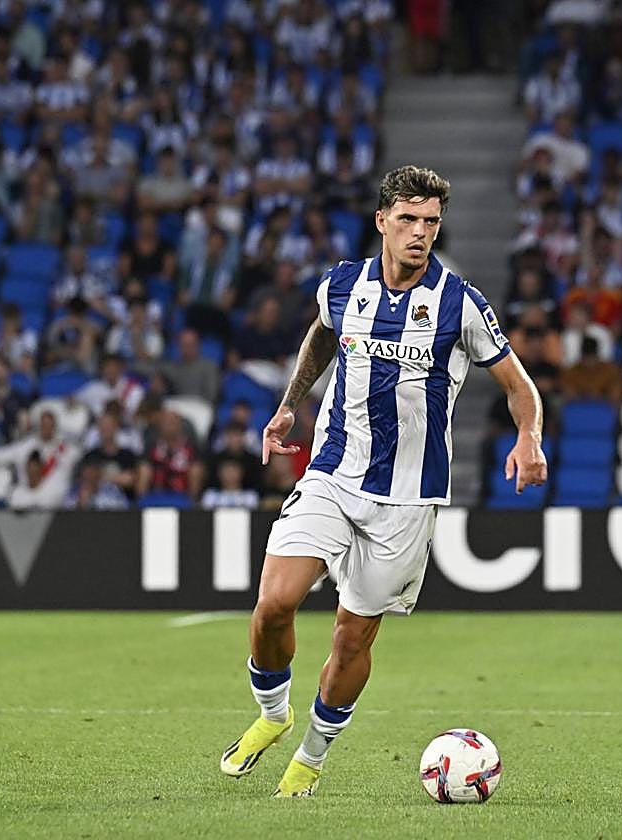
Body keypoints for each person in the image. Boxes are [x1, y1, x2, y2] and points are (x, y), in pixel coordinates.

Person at [221, 167, 547, 797]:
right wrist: (291, 402)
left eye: (430, 222)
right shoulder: (343, 285)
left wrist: (528, 437)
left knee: (352, 635)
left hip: (407, 499)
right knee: (273, 605)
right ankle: (273, 715)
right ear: (382, 222)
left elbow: (518, 385)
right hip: (333, 473)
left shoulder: (460, 303)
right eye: (407, 220)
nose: (420, 233)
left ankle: (311, 758)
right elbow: (322, 333)